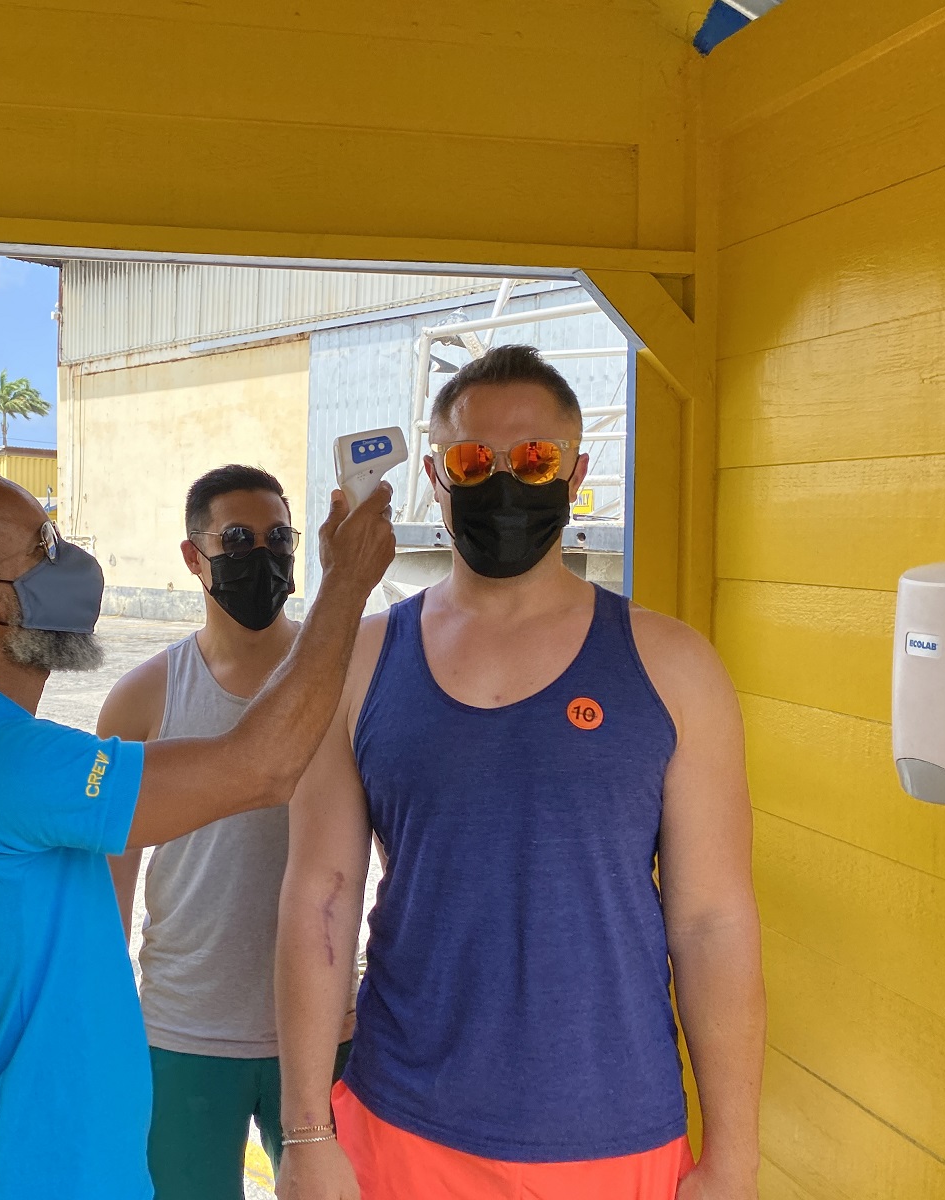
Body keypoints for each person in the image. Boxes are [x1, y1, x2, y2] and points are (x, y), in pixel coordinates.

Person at [274, 345, 765, 1200]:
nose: (503, 480)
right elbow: (319, 894)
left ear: (575, 472)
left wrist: (733, 1158)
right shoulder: (360, 660)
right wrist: (308, 1133)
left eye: (533, 458)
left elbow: (714, 921)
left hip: (615, 1135)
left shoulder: (674, 666)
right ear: (435, 475)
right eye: (473, 459)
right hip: (400, 1125)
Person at [0, 456, 393, 1199]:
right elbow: (262, 765)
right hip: (18, 1173)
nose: (71, 561)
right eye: (42, 547)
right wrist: (347, 581)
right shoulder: (2, 762)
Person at [101, 465, 358, 1200]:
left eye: (279, 537)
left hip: (319, 1034)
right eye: (238, 538)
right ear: (193, 556)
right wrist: (108, 1021)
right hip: (184, 1031)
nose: (263, 555)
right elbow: (111, 883)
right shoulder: (144, 697)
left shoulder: (342, 679)